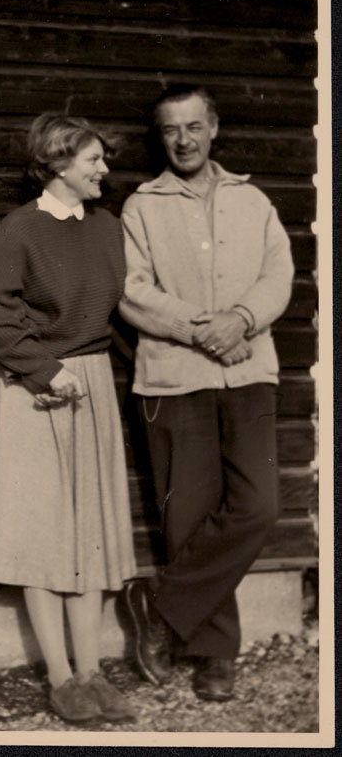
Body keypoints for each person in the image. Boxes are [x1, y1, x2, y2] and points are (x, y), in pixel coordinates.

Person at [119, 83, 294, 702]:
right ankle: (214, 653)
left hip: (250, 375)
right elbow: (133, 291)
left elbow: (280, 274)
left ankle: (159, 605)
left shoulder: (253, 200)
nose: (184, 140)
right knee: (189, 515)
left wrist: (241, 319)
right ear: (161, 137)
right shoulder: (142, 206)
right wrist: (207, 331)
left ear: (214, 128)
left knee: (258, 506)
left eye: (194, 127)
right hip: (176, 377)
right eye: (171, 130)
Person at [0, 113, 137, 724]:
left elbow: (124, 309)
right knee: (41, 537)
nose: (103, 171)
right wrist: (44, 370)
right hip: (31, 386)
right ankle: (60, 678)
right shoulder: (20, 230)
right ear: (59, 162)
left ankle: (91, 670)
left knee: (85, 531)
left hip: (89, 384)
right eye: (93, 161)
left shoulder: (108, 228)